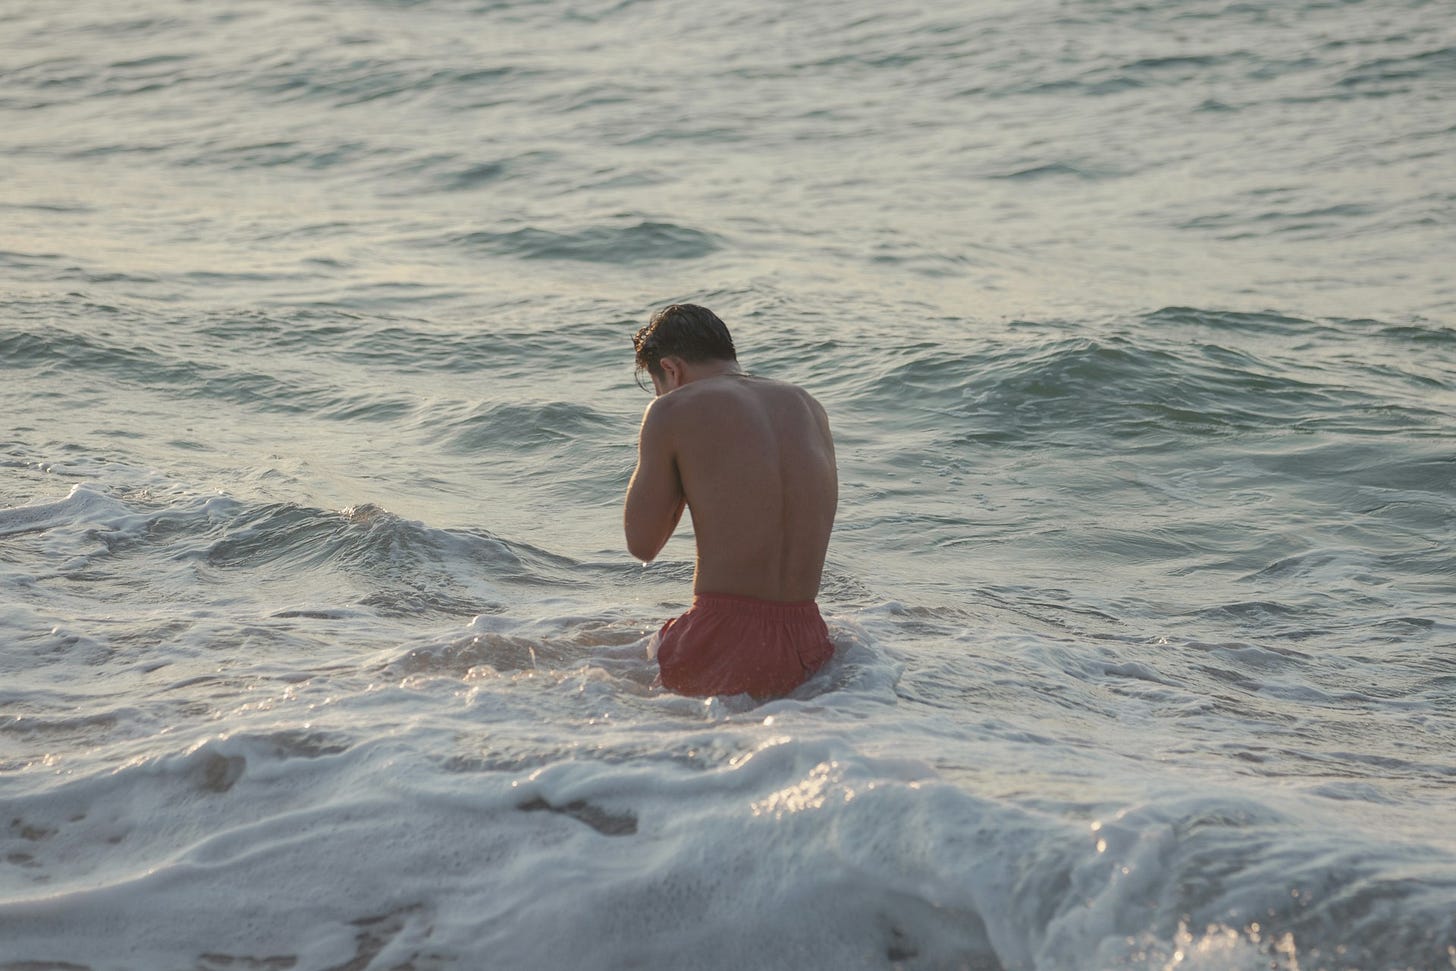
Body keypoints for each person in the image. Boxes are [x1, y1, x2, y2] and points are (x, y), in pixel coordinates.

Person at [624, 304, 838, 698]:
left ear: (671, 370)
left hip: (723, 638)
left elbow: (643, 545)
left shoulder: (672, 408)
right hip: (809, 639)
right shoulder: (808, 405)